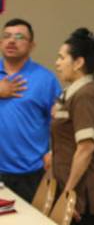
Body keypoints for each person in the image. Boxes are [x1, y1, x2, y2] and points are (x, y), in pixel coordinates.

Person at [49, 28, 94, 225]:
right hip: (72, 188)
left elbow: (85, 149)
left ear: (78, 62)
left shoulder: (86, 95)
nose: (57, 63)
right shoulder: (71, 93)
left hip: (84, 194)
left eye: (62, 57)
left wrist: (69, 193)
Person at [0, 18, 61, 201]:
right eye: (6, 36)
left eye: (19, 37)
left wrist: (54, 153)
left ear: (32, 45)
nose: (11, 41)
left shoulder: (45, 79)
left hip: (32, 173)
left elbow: (62, 123)